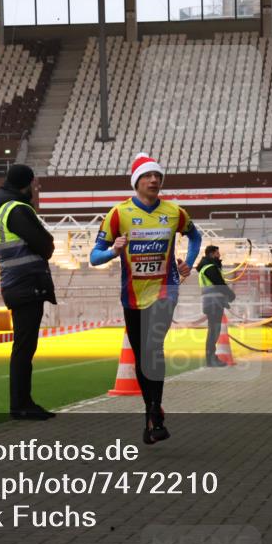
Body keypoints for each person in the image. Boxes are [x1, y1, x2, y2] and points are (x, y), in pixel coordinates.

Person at [90, 153, 202, 444]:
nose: (154, 180)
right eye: (148, 176)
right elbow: (94, 257)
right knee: (142, 356)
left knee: (153, 349)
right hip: (132, 295)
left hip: (166, 290)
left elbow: (195, 237)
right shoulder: (118, 214)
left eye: (158, 176)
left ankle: (154, 410)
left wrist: (188, 262)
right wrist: (114, 251)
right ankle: (151, 412)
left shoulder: (175, 212)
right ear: (136, 182)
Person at [0, 164, 57, 420]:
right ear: (27, 184)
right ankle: (21, 404)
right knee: (24, 347)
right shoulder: (17, 210)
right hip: (26, 284)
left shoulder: (4, 209)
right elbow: (45, 245)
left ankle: (22, 403)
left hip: (17, 284)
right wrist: (47, 241)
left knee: (24, 346)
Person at [197, 245, 236, 367]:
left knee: (214, 331)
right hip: (213, 303)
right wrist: (231, 295)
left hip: (213, 302)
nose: (219, 256)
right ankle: (211, 359)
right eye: (217, 253)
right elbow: (219, 284)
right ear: (212, 254)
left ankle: (212, 359)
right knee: (214, 331)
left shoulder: (207, 267)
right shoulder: (210, 268)